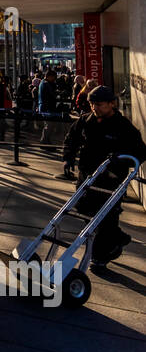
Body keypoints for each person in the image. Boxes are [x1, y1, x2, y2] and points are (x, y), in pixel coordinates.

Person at [62, 85, 146, 267]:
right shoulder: (86, 121)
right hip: (87, 178)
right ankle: (117, 237)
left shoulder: (124, 127)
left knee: (105, 220)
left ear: (111, 104)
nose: (94, 108)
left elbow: (140, 152)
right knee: (85, 213)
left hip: (110, 182)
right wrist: (67, 160)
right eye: (92, 104)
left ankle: (100, 257)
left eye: (99, 104)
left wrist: (120, 162)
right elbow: (71, 139)